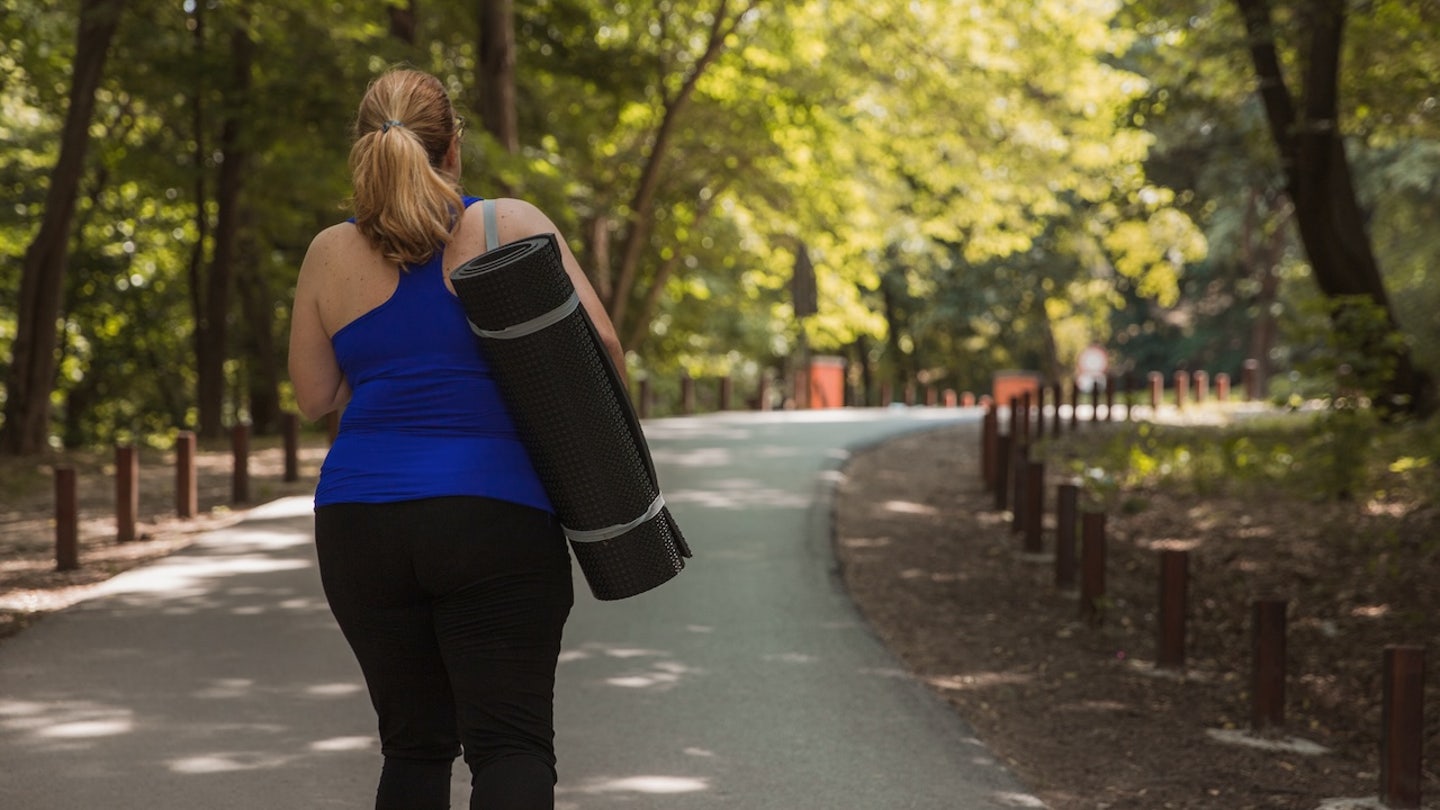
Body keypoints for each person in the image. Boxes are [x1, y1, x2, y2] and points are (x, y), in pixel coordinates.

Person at [288, 67, 623, 810]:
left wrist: (384, 355)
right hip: (493, 513)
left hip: (358, 522)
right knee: (511, 745)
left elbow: (315, 396)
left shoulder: (328, 253)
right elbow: (600, 348)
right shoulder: (509, 226)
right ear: (454, 146)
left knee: (413, 746)